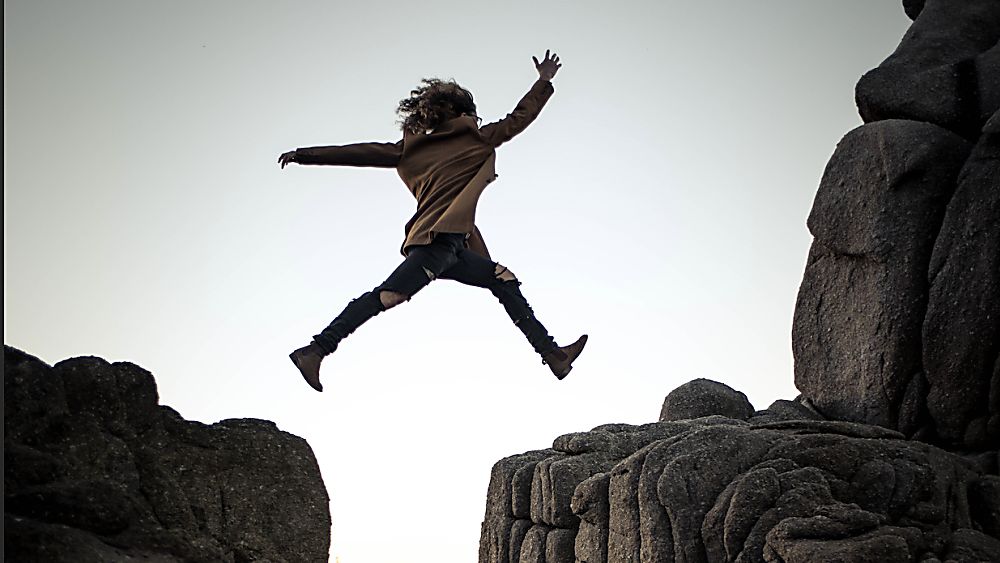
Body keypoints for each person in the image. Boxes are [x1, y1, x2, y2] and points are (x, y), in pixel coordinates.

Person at [279, 50, 586, 392]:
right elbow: (519, 118)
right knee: (389, 296)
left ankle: (553, 355)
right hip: (435, 243)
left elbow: (357, 152)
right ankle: (317, 350)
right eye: (472, 112)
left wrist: (305, 155)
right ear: (460, 113)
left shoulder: (410, 149)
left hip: (454, 246)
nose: (477, 118)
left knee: (502, 279)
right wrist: (543, 81)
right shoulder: (475, 138)